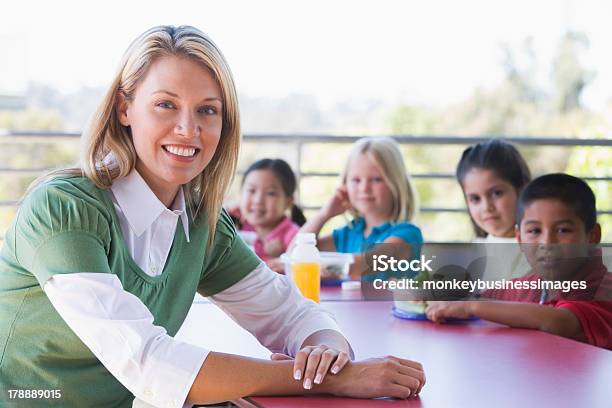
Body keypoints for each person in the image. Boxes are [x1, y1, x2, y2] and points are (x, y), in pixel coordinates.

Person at [0, 26, 425, 407]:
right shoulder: (63, 209)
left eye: (207, 110)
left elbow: (290, 315)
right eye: (166, 104)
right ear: (124, 109)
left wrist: (326, 350)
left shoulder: (202, 226)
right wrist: (329, 382)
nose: (189, 129)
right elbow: (150, 365)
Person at [426, 174, 612, 349]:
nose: (547, 243)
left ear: (592, 236)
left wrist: (470, 307)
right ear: (520, 238)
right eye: (534, 231)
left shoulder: (603, 288)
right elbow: (482, 298)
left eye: (563, 230)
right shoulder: (530, 286)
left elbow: (558, 321)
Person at [299, 137, 423, 280]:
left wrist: (305, 266)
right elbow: (296, 252)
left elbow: (363, 265)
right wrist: (324, 214)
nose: (364, 188)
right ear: (345, 185)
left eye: (376, 179)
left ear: (395, 183)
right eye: (356, 180)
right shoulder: (347, 234)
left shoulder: (407, 235)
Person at [456, 138, 532, 279]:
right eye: (475, 199)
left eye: (497, 193)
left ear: (522, 189)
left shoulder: (536, 253)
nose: (486, 207)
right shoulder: (479, 248)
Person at [230, 158, 305, 273]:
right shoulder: (234, 225)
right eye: (251, 190)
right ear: (240, 195)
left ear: (288, 202)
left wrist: (283, 257)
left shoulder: (293, 235)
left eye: (271, 193)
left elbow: (301, 268)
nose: (258, 200)